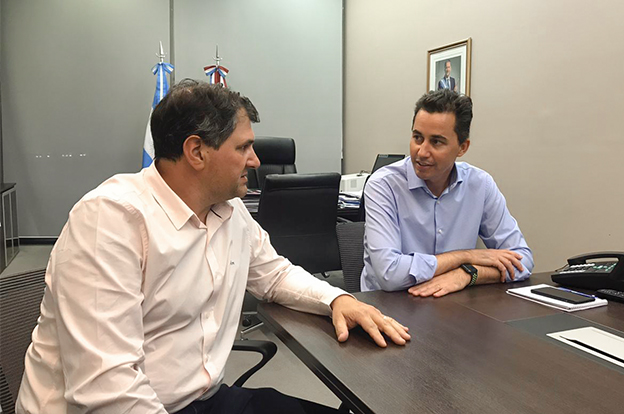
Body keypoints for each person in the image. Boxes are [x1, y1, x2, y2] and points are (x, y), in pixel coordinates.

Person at [16, 79, 410, 414]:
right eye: (243, 148)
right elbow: (107, 390)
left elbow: (274, 275)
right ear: (197, 152)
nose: (255, 160)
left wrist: (336, 299)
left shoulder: (229, 211)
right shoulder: (111, 220)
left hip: (200, 399)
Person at [360, 89, 533, 296]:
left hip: (453, 304)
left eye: (436, 142)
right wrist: (465, 257)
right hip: (387, 305)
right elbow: (391, 275)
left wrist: (467, 274)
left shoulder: (480, 184)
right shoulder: (383, 185)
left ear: (462, 148)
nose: (422, 152)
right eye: (417, 138)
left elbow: (522, 260)